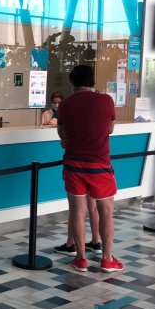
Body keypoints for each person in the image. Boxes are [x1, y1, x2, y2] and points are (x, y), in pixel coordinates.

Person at [56, 64, 123, 272]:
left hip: (73, 165)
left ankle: (81, 259)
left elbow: (62, 135)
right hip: (100, 165)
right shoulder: (106, 100)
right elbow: (110, 129)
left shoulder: (65, 105)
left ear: (72, 82)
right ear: (92, 81)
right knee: (106, 212)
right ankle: (107, 259)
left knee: (77, 212)